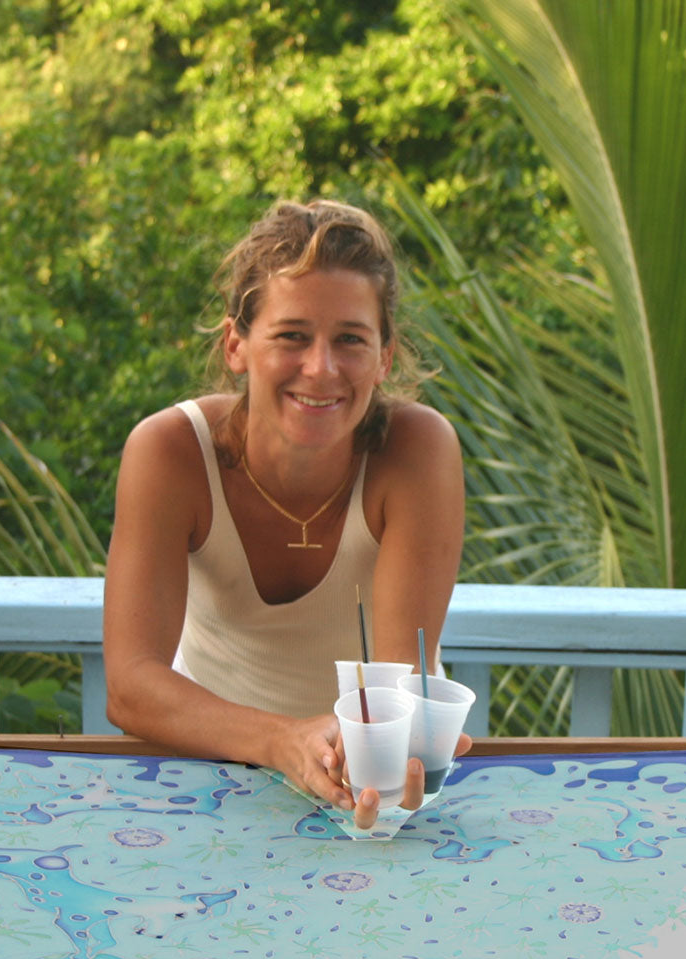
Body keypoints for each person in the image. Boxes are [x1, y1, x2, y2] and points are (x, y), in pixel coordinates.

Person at [103, 199, 466, 830]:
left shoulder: (418, 450)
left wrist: (374, 748)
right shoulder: (169, 452)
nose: (321, 368)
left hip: (377, 767)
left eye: (350, 339)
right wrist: (284, 741)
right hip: (212, 766)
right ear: (237, 345)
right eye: (292, 336)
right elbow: (131, 685)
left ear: (384, 357)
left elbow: (393, 686)